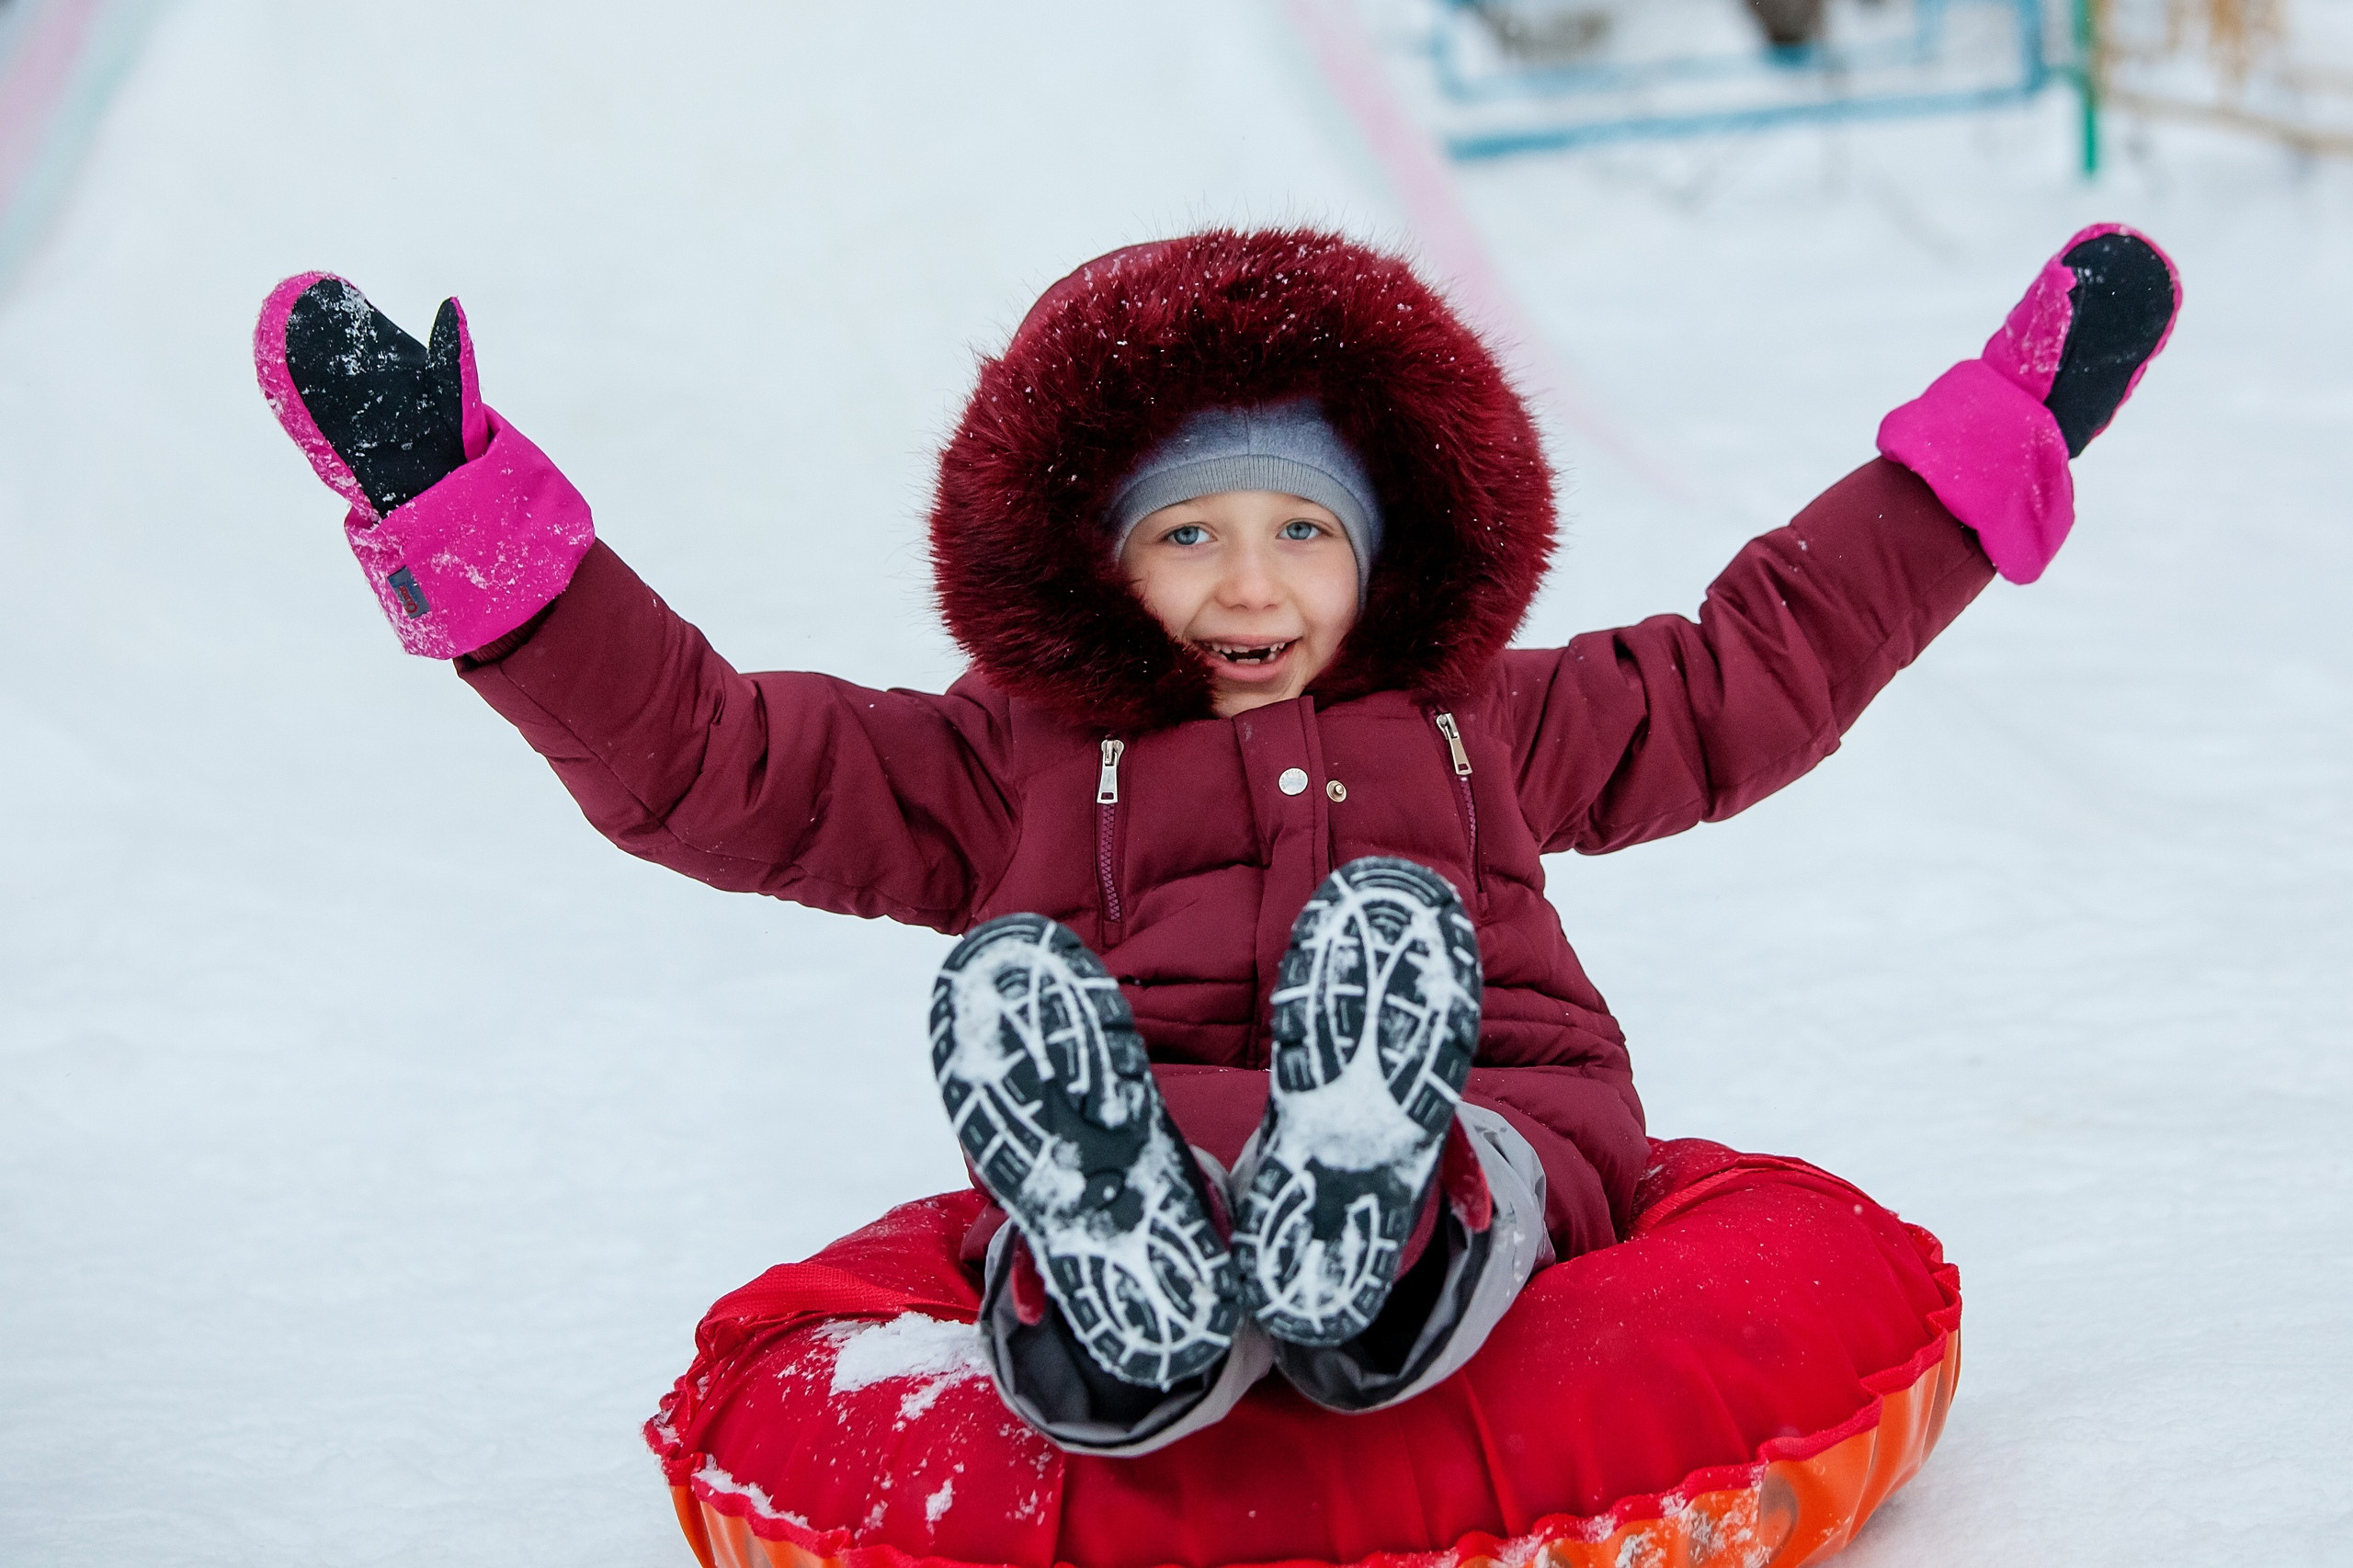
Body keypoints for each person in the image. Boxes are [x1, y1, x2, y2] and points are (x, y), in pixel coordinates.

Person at [252, 223, 2177, 1458]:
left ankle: (1390, 1194)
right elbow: (714, 757)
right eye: (1189, 536)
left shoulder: (1483, 718)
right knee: (1117, 1131)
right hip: (1165, 1121)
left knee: (1490, 1139)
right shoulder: (1011, 755)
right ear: (1105, 565)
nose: (1248, 586)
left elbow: (1755, 665)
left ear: (1380, 554)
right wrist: (473, 530)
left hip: (1495, 1099)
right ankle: (1115, 1273)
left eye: (1298, 534)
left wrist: (1983, 453)